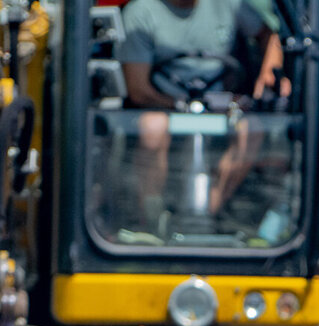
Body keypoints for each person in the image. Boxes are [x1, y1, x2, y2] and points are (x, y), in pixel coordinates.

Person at [116, 0, 283, 219]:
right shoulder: (140, 12)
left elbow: (268, 35)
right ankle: (151, 219)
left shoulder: (230, 4)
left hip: (219, 105)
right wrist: (182, 105)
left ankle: (205, 215)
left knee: (251, 130)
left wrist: (269, 74)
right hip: (163, 106)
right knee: (152, 127)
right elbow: (138, 90)